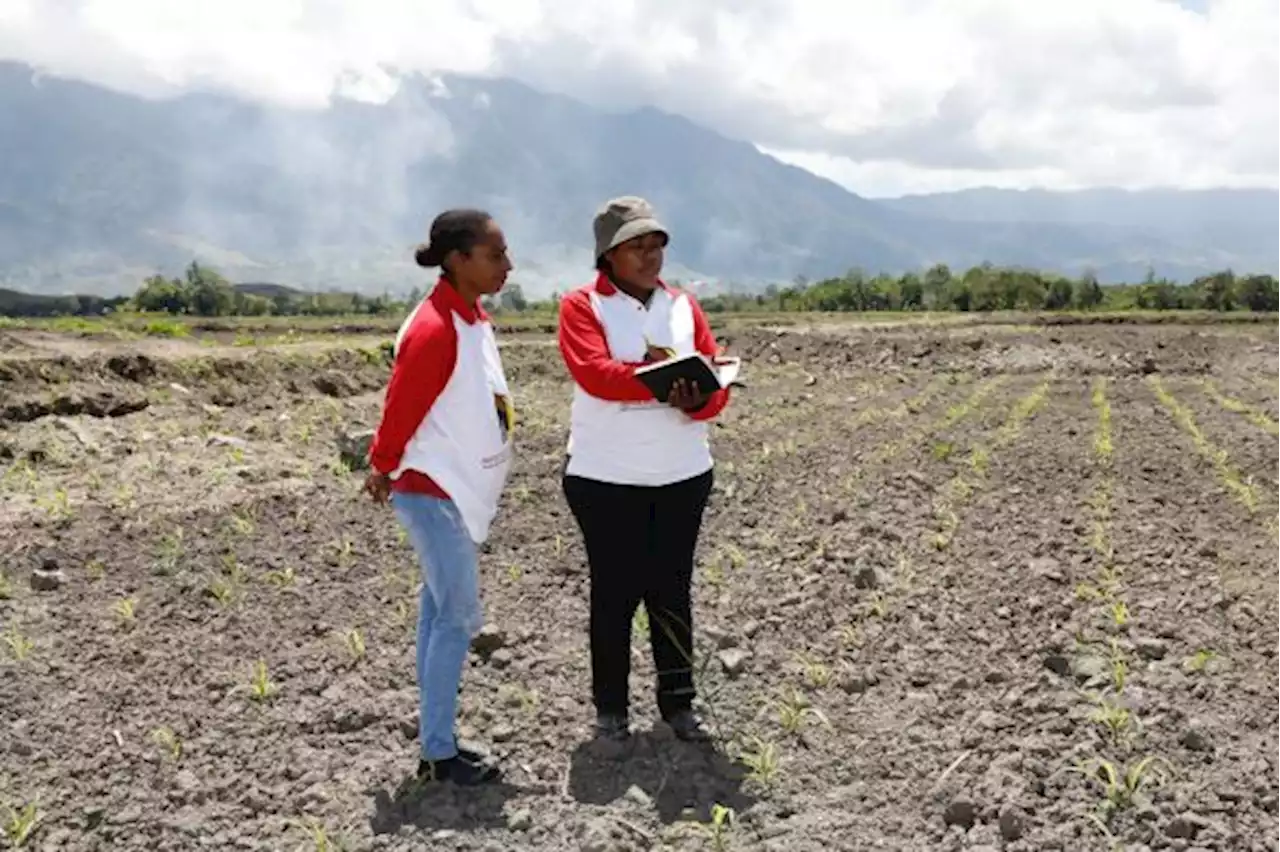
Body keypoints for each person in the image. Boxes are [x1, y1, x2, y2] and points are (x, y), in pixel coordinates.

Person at [557, 196, 732, 744]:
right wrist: (661, 381)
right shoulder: (582, 306)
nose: (651, 254)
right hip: (605, 477)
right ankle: (611, 711)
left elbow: (713, 384)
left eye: (656, 243)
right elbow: (596, 373)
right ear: (608, 255)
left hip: (682, 472)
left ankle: (678, 704)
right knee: (614, 592)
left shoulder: (683, 307)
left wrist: (694, 399)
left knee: (672, 590)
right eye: (637, 245)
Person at [363, 209, 515, 785]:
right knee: (455, 619)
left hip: (452, 487)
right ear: (459, 259)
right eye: (495, 255)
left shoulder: (471, 317)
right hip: (433, 490)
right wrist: (382, 465)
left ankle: (438, 740)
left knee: (437, 615)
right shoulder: (434, 328)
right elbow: (401, 407)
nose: (507, 265)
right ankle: (438, 752)